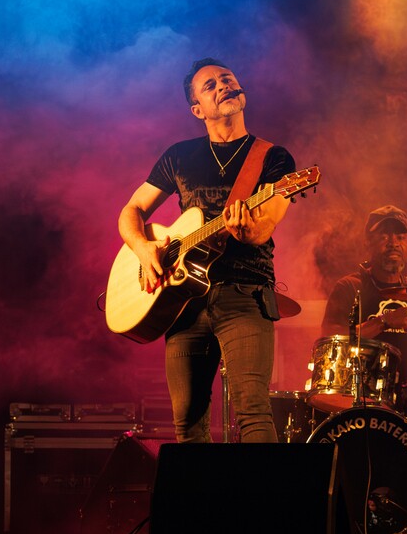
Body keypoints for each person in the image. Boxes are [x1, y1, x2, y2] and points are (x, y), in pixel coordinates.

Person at [117, 59, 293, 442]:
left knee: (253, 412)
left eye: (227, 78)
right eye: (210, 85)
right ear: (198, 110)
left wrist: (248, 230)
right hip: (184, 303)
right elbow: (132, 211)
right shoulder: (179, 156)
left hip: (245, 295)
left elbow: (267, 224)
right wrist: (143, 248)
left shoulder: (273, 158)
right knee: (188, 423)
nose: (222, 85)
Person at [320, 204, 407, 383]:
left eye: (400, 237)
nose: (393, 243)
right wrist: (384, 321)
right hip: (358, 393)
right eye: (384, 236)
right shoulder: (349, 287)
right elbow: (330, 338)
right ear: (367, 243)